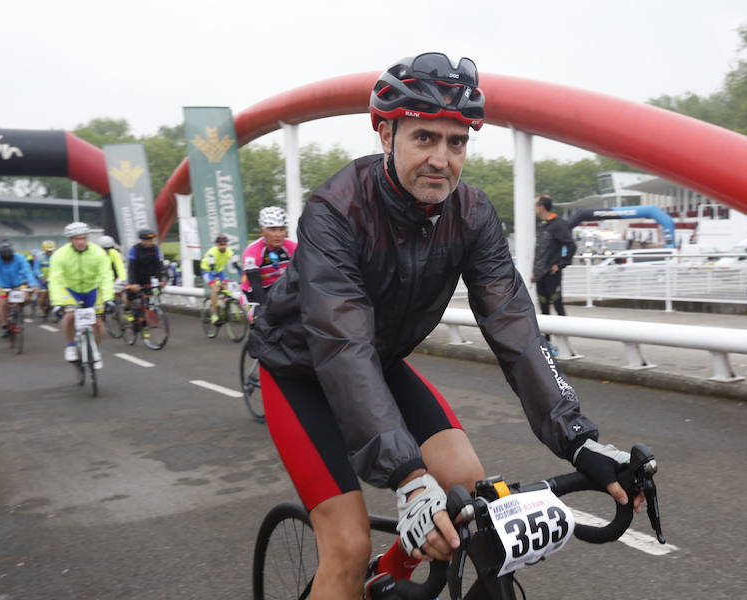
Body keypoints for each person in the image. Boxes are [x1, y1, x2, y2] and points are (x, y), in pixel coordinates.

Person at [247, 52, 644, 599]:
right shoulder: (335, 211)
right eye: (424, 138)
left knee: (465, 484)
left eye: (456, 143)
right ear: (386, 134)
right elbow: (342, 346)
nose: (441, 159)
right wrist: (409, 481)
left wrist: (579, 443)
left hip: (379, 363)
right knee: (346, 546)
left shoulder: (472, 214)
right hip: (301, 370)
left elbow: (516, 330)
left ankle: (391, 581)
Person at [48, 223, 113, 366]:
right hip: (70, 290)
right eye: (77, 238)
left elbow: (106, 276)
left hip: (92, 290)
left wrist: (108, 298)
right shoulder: (60, 255)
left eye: (84, 238)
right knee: (70, 316)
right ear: (70, 240)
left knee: (98, 325)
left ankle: (95, 350)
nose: (81, 241)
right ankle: (70, 346)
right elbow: (55, 280)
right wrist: (57, 303)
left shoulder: (98, 253)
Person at [532, 194, 577, 356]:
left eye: (534, 205)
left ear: (541, 206)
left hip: (552, 275)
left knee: (558, 306)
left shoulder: (558, 224)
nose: (533, 208)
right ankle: (548, 345)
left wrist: (561, 264)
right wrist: (534, 271)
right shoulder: (541, 225)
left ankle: (566, 346)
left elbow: (571, 246)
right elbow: (539, 251)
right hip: (540, 275)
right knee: (543, 309)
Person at [239, 207, 297, 303]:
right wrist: (264, 310)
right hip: (254, 294)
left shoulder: (292, 246)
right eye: (273, 230)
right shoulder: (252, 251)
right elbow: (256, 285)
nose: (278, 235)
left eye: (282, 229)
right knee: (262, 316)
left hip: (281, 291)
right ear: (262, 231)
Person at [124, 229, 166, 320]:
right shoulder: (134, 249)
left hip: (147, 277)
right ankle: (127, 310)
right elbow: (131, 268)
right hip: (135, 277)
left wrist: (160, 280)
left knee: (145, 302)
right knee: (130, 295)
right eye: (148, 241)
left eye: (151, 240)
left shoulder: (155, 249)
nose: (150, 242)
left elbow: (158, 265)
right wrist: (133, 283)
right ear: (142, 240)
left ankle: (144, 326)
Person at [0, 241, 39, 336]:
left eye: (10, 257)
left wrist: (33, 285)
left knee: (26, 298)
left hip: (19, 284)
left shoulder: (20, 257)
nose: (8, 259)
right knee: (3, 303)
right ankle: (5, 323)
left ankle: (17, 312)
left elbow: (28, 271)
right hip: (2, 285)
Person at [200, 234, 237, 324]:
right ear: (217, 244)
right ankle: (214, 314)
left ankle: (225, 306)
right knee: (215, 289)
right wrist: (217, 281)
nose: (222, 245)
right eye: (220, 243)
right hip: (207, 270)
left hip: (219, 271)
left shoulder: (229, 252)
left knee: (227, 289)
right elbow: (212, 269)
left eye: (224, 243)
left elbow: (236, 266)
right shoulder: (212, 253)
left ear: (227, 244)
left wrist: (243, 274)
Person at [33, 240, 56, 316]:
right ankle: (40, 309)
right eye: (48, 251)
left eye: (51, 250)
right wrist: (42, 277)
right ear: (44, 249)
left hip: (52, 279)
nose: (50, 252)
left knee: (53, 295)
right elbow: (36, 269)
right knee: (43, 294)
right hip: (42, 279)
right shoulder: (39, 257)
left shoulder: (56, 256)